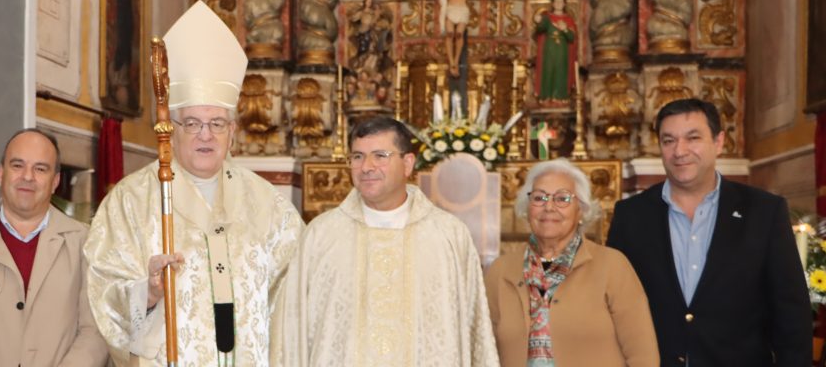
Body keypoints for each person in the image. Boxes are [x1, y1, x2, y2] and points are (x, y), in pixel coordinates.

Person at [84, 1, 304, 366]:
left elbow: (296, 292)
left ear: (233, 131)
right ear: (172, 127)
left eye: (217, 123)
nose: (206, 135)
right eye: (193, 123)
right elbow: (103, 289)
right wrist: (148, 294)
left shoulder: (268, 204)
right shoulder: (131, 200)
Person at [276, 116, 499, 366]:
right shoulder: (322, 236)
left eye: (380, 155)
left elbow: (474, 329)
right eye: (357, 157)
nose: (366, 167)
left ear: (407, 164)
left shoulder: (448, 235)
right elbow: (293, 330)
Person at [607, 98, 811, 366]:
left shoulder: (764, 212)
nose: (679, 151)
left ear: (718, 142)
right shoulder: (630, 215)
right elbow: (611, 309)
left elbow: (791, 315)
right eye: (668, 140)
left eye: (693, 138)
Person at [0, 129, 109, 366]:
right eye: (17, 165)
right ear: (1, 174)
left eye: (40, 169)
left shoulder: (86, 244)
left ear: (55, 182)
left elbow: (96, 331)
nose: (27, 176)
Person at [484, 158, 658, 366]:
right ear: (527, 208)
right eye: (539, 197)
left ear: (581, 210)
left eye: (562, 198)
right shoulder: (500, 271)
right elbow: (485, 352)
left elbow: (643, 356)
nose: (549, 207)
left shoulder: (612, 266)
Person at [412, 0, 501, 78]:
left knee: (459, 35)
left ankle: (456, 61)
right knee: (449, 35)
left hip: (462, 8)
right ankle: (451, 62)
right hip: (451, 8)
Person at [533, 0, 578, 103]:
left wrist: (565, 30)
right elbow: (540, 30)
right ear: (553, 3)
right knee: (548, 71)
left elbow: (572, 38)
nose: (558, 4)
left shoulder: (568, 20)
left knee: (561, 72)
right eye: (556, 1)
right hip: (548, 49)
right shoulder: (547, 17)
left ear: (564, 4)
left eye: (561, 1)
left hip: (562, 50)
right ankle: (546, 96)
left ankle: (560, 96)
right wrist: (538, 21)